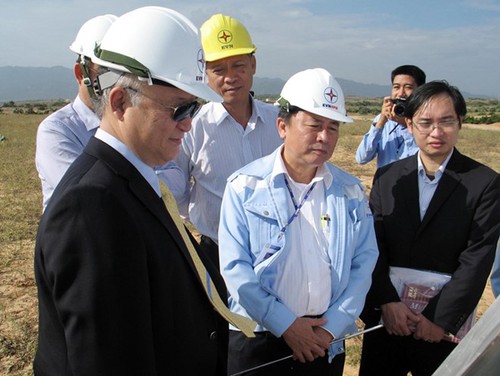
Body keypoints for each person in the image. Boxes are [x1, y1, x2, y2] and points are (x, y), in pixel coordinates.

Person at [34, 7, 238, 374]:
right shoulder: (91, 206)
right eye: (179, 109)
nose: (189, 124)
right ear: (120, 102)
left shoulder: (132, 180)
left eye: (195, 107)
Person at [218, 68, 379, 375]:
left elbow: (363, 263)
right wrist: (287, 325)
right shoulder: (245, 186)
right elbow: (235, 269)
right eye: (314, 125)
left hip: (324, 339)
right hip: (258, 338)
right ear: (283, 125)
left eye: (333, 128)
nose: (324, 137)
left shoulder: (350, 192)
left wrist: (331, 328)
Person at [359, 80, 500, 375]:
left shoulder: (484, 183)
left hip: (439, 330)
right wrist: (386, 301)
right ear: (409, 124)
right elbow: (373, 245)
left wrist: (438, 320)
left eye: (446, 121)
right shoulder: (388, 177)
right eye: (425, 122)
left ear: (460, 122)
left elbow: (477, 258)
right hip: (388, 323)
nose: (436, 132)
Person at [175, 13, 282, 268]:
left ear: (253, 65)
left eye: (239, 66)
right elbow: (176, 190)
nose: (230, 77)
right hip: (217, 253)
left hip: (278, 252)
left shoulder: (279, 123)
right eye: (219, 69)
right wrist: (206, 221)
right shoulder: (192, 127)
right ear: (204, 72)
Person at [35, 14, 117, 210]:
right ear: (81, 74)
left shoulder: (134, 123)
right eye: (108, 74)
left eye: (124, 74)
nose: (117, 84)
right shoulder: (57, 130)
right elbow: (91, 196)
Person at [355, 64, 426, 168]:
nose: (401, 93)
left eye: (408, 87)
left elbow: (424, 160)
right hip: (385, 183)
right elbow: (362, 158)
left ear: (420, 90)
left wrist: (407, 126)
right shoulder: (383, 119)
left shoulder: (427, 121)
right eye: (396, 87)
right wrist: (380, 124)